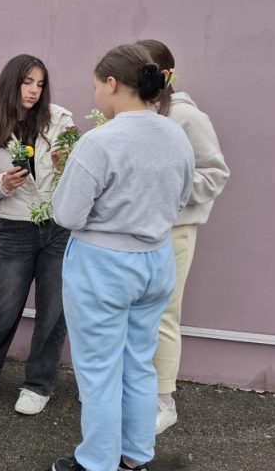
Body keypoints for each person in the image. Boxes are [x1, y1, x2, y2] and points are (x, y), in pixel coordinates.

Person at [50, 44, 194, 471]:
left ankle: (96, 462)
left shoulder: (100, 141)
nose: (95, 93)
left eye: (96, 85)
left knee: (99, 369)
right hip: (157, 259)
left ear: (111, 84)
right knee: (139, 363)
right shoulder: (176, 134)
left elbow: (67, 214)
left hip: (104, 264)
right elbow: (182, 197)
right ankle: (135, 457)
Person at [0, 54, 74, 415]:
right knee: (4, 303)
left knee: (53, 309)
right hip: (15, 226)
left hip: (58, 226)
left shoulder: (60, 118)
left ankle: (38, 384)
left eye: (40, 84)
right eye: (27, 82)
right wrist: (3, 182)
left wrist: (66, 164)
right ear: (12, 82)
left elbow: (82, 172)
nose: (34, 91)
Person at [136, 39, 229, 435]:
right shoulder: (133, 113)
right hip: (133, 231)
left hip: (174, 230)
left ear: (165, 74)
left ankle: (164, 401)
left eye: (145, 69)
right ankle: (134, 392)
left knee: (164, 313)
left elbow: (215, 172)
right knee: (133, 313)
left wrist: (169, 190)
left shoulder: (187, 116)